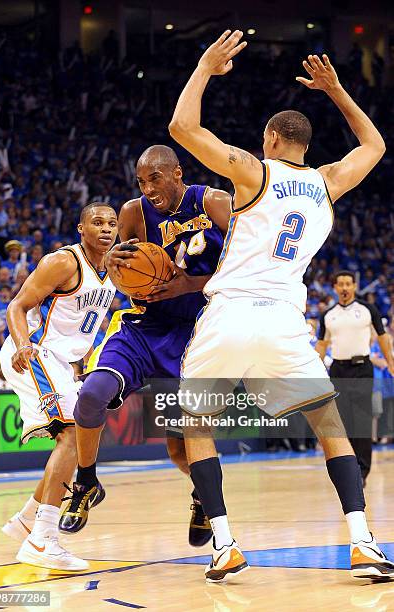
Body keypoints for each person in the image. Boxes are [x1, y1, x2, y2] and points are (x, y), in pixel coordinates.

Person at [168, 30, 394, 582]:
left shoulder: (253, 171)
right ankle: (363, 541)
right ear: (304, 144)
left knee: (197, 425)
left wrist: (203, 66)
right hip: (285, 320)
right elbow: (375, 147)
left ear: (270, 138)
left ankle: (224, 545)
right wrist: (338, 91)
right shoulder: (326, 182)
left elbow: (182, 128)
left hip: (229, 314)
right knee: (329, 425)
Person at [59, 145, 230, 549]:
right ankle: (86, 481)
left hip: (196, 332)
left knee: (180, 450)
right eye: (141, 181)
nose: (148, 188)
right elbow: (123, 271)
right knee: (91, 395)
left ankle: (203, 498)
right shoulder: (134, 212)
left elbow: (244, 270)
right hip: (146, 326)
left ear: (177, 174)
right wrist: (117, 263)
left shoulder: (215, 202)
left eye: (155, 178)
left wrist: (186, 284)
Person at [0, 203, 118, 571]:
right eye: (97, 222)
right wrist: (23, 344)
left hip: (61, 363)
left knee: (78, 435)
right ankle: (42, 540)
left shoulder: (115, 268)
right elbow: (16, 306)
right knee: (71, 434)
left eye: (112, 224)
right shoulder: (64, 262)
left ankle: (26, 521)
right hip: (33, 351)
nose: (106, 229)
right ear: (81, 228)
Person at [316, 271, 394, 485]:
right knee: (343, 422)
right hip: (338, 371)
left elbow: (382, 336)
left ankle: (362, 471)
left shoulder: (368, 310)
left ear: (354, 286)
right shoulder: (328, 315)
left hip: (362, 369)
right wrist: (315, 369)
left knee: (361, 421)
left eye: (348, 284)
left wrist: (390, 362)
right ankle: (349, 469)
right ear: (334, 287)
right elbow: (322, 344)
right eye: (340, 284)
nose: (344, 288)